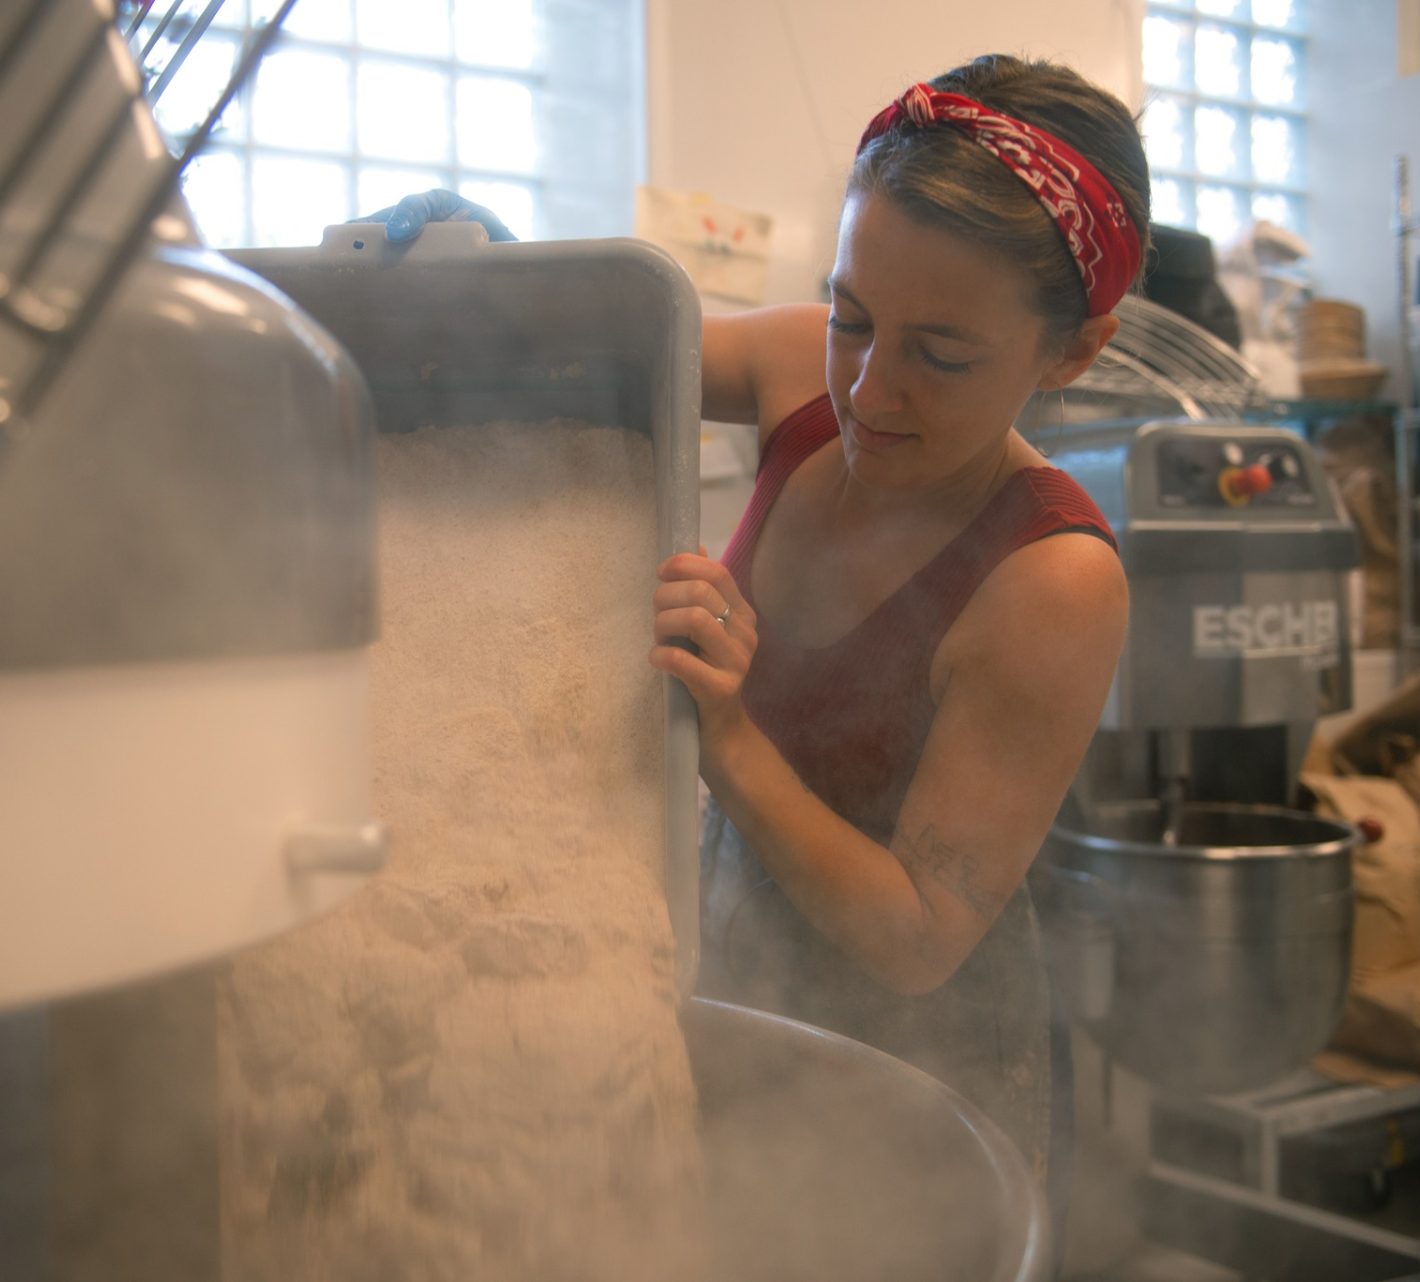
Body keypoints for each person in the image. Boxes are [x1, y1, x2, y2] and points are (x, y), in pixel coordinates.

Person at [363, 49, 1145, 1198]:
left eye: (942, 353)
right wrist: (482, 281)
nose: (871, 390)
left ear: (1074, 349)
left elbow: (921, 934)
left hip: (914, 1086)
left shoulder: (1049, 579)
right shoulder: (796, 376)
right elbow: (601, 357)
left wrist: (727, 732)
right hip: (737, 968)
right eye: (852, 315)